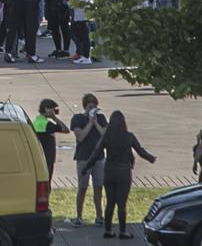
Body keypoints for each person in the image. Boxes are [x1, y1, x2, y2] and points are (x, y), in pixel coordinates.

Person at [95, 110, 156, 239]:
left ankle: (108, 230)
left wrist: (86, 167)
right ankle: (123, 231)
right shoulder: (129, 137)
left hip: (109, 171)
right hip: (123, 172)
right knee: (121, 203)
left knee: (110, 202)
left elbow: (96, 153)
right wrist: (151, 158)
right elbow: (140, 151)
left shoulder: (107, 137)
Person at [70, 94, 107, 228]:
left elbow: (104, 135)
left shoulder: (101, 118)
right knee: (83, 188)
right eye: (90, 107)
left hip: (99, 158)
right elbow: (80, 137)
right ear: (85, 107)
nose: (93, 109)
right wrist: (89, 123)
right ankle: (79, 216)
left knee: (98, 187)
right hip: (83, 158)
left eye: (95, 107)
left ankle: (99, 216)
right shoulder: (77, 119)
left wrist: (95, 122)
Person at [31, 98, 63, 176]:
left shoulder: (35, 122)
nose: (54, 112)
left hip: (37, 158)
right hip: (47, 159)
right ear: (47, 109)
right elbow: (65, 129)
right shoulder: (47, 124)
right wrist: (54, 118)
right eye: (53, 109)